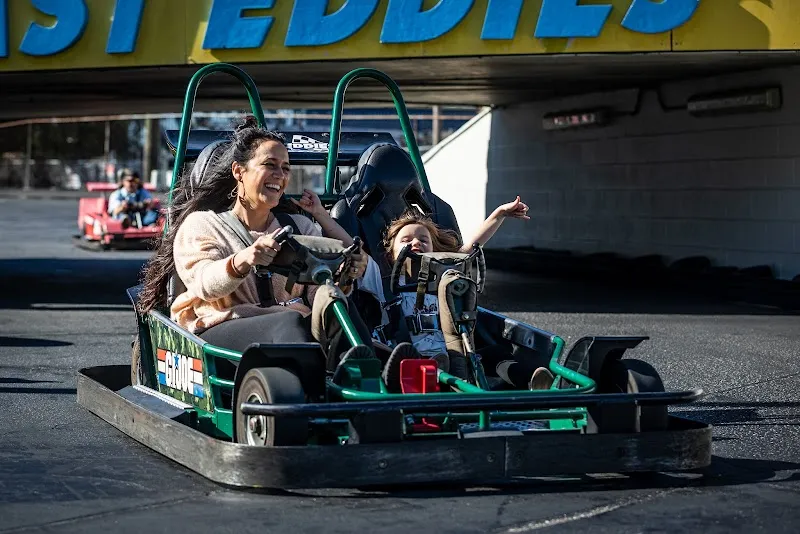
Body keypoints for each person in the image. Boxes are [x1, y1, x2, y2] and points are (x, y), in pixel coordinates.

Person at [137, 118, 385, 370]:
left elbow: (313, 292)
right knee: (289, 323)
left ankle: (375, 383)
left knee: (338, 305)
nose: (280, 175)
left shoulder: (300, 226)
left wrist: (343, 279)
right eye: (270, 165)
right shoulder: (202, 224)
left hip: (295, 329)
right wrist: (244, 260)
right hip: (219, 328)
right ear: (238, 171)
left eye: (286, 168)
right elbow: (204, 285)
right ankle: (309, 399)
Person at [360, 198, 556, 391]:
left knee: (495, 353)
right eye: (406, 240)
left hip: (451, 356)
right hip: (406, 358)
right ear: (389, 255)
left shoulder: (444, 277)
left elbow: (472, 246)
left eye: (423, 240)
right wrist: (328, 220)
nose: (415, 243)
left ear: (435, 251)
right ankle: (434, 370)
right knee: (377, 350)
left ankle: (531, 379)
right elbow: (353, 249)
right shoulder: (381, 280)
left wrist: (500, 214)